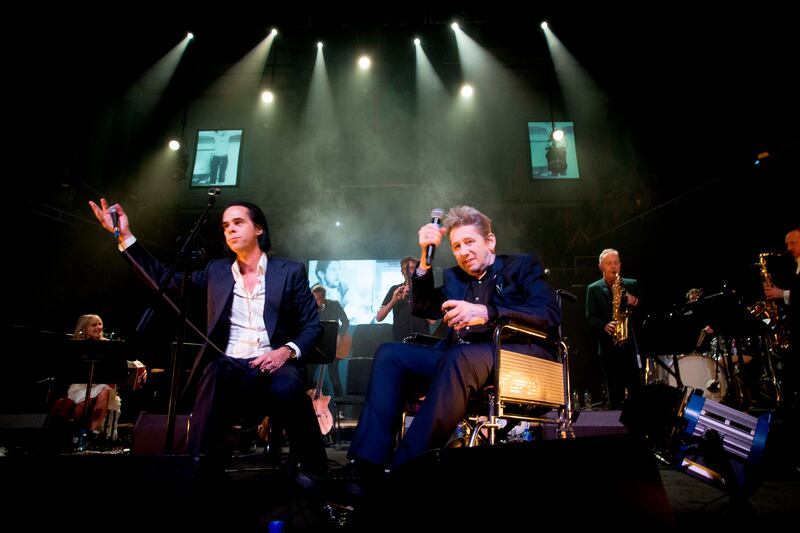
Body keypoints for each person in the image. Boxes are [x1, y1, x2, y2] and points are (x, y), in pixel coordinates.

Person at [88, 198, 327, 475]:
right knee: (214, 373)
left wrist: (285, 351)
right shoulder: (216, 271)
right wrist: (126, 237)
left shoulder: (290, 271)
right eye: (226, 225)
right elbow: (166, 280)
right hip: (232, 364)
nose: (230, 230)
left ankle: (314, 475)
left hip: (275, 363)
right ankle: (198, 469)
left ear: (259, 228)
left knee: (289, 387)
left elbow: (312, 326)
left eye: (238, 222)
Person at [345, 205, 560, 477]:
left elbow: (548, 314)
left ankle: (404, 471)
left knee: (459, 357)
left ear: (490, 242)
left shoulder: (521, 266)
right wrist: (425, 260)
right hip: (458, 358)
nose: (463, 252)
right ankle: (366, 466)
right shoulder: (455, 278)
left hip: (512, 355)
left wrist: (486, 313)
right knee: (389, 354)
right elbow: (423, 306)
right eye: (457, 246)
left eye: (470, 242)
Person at [586, 248, 644, 410]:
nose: (613, 267)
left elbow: (647, 309)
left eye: (616, 263)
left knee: (636, 392)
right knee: (614, 393)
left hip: (631, 346)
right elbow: (590, 317)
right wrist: (604, 325)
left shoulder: (632, 284)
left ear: (620, 265)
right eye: (609, 263)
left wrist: (635, 301)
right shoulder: (593, 289)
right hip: (608, 348)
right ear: (601, 267)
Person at [764, 227, 800, 406]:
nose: (789, 247)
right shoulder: (797, 265)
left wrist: (781, 294)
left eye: (793, 243)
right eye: (787, 243)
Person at [376, 256, 432, 342]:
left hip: (422, 340)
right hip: (400, 339)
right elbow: (379, 317)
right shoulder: (395, 289)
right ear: (402, 272)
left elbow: (433, 321)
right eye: (405, 269)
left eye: (412, 268)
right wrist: (393, 300)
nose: (409, 271)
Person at [311, 283, 349, 397]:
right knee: (309, 375)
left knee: (335, 378)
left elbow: (346, 322)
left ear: (323, 297)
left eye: (317, 299)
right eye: (313, 298)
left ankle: (340, 409)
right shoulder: (312, 309)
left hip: (333, 347)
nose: (315, 301)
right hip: (318, 347)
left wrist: (339, 336)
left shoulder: (335, 305)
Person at [314, 260, 372, 324]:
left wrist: (372, 309)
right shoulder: (311, 296)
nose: (338, 273)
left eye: (339, 269)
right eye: (333, 269)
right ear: (321, 274)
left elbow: (364, 311)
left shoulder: (346, 289)